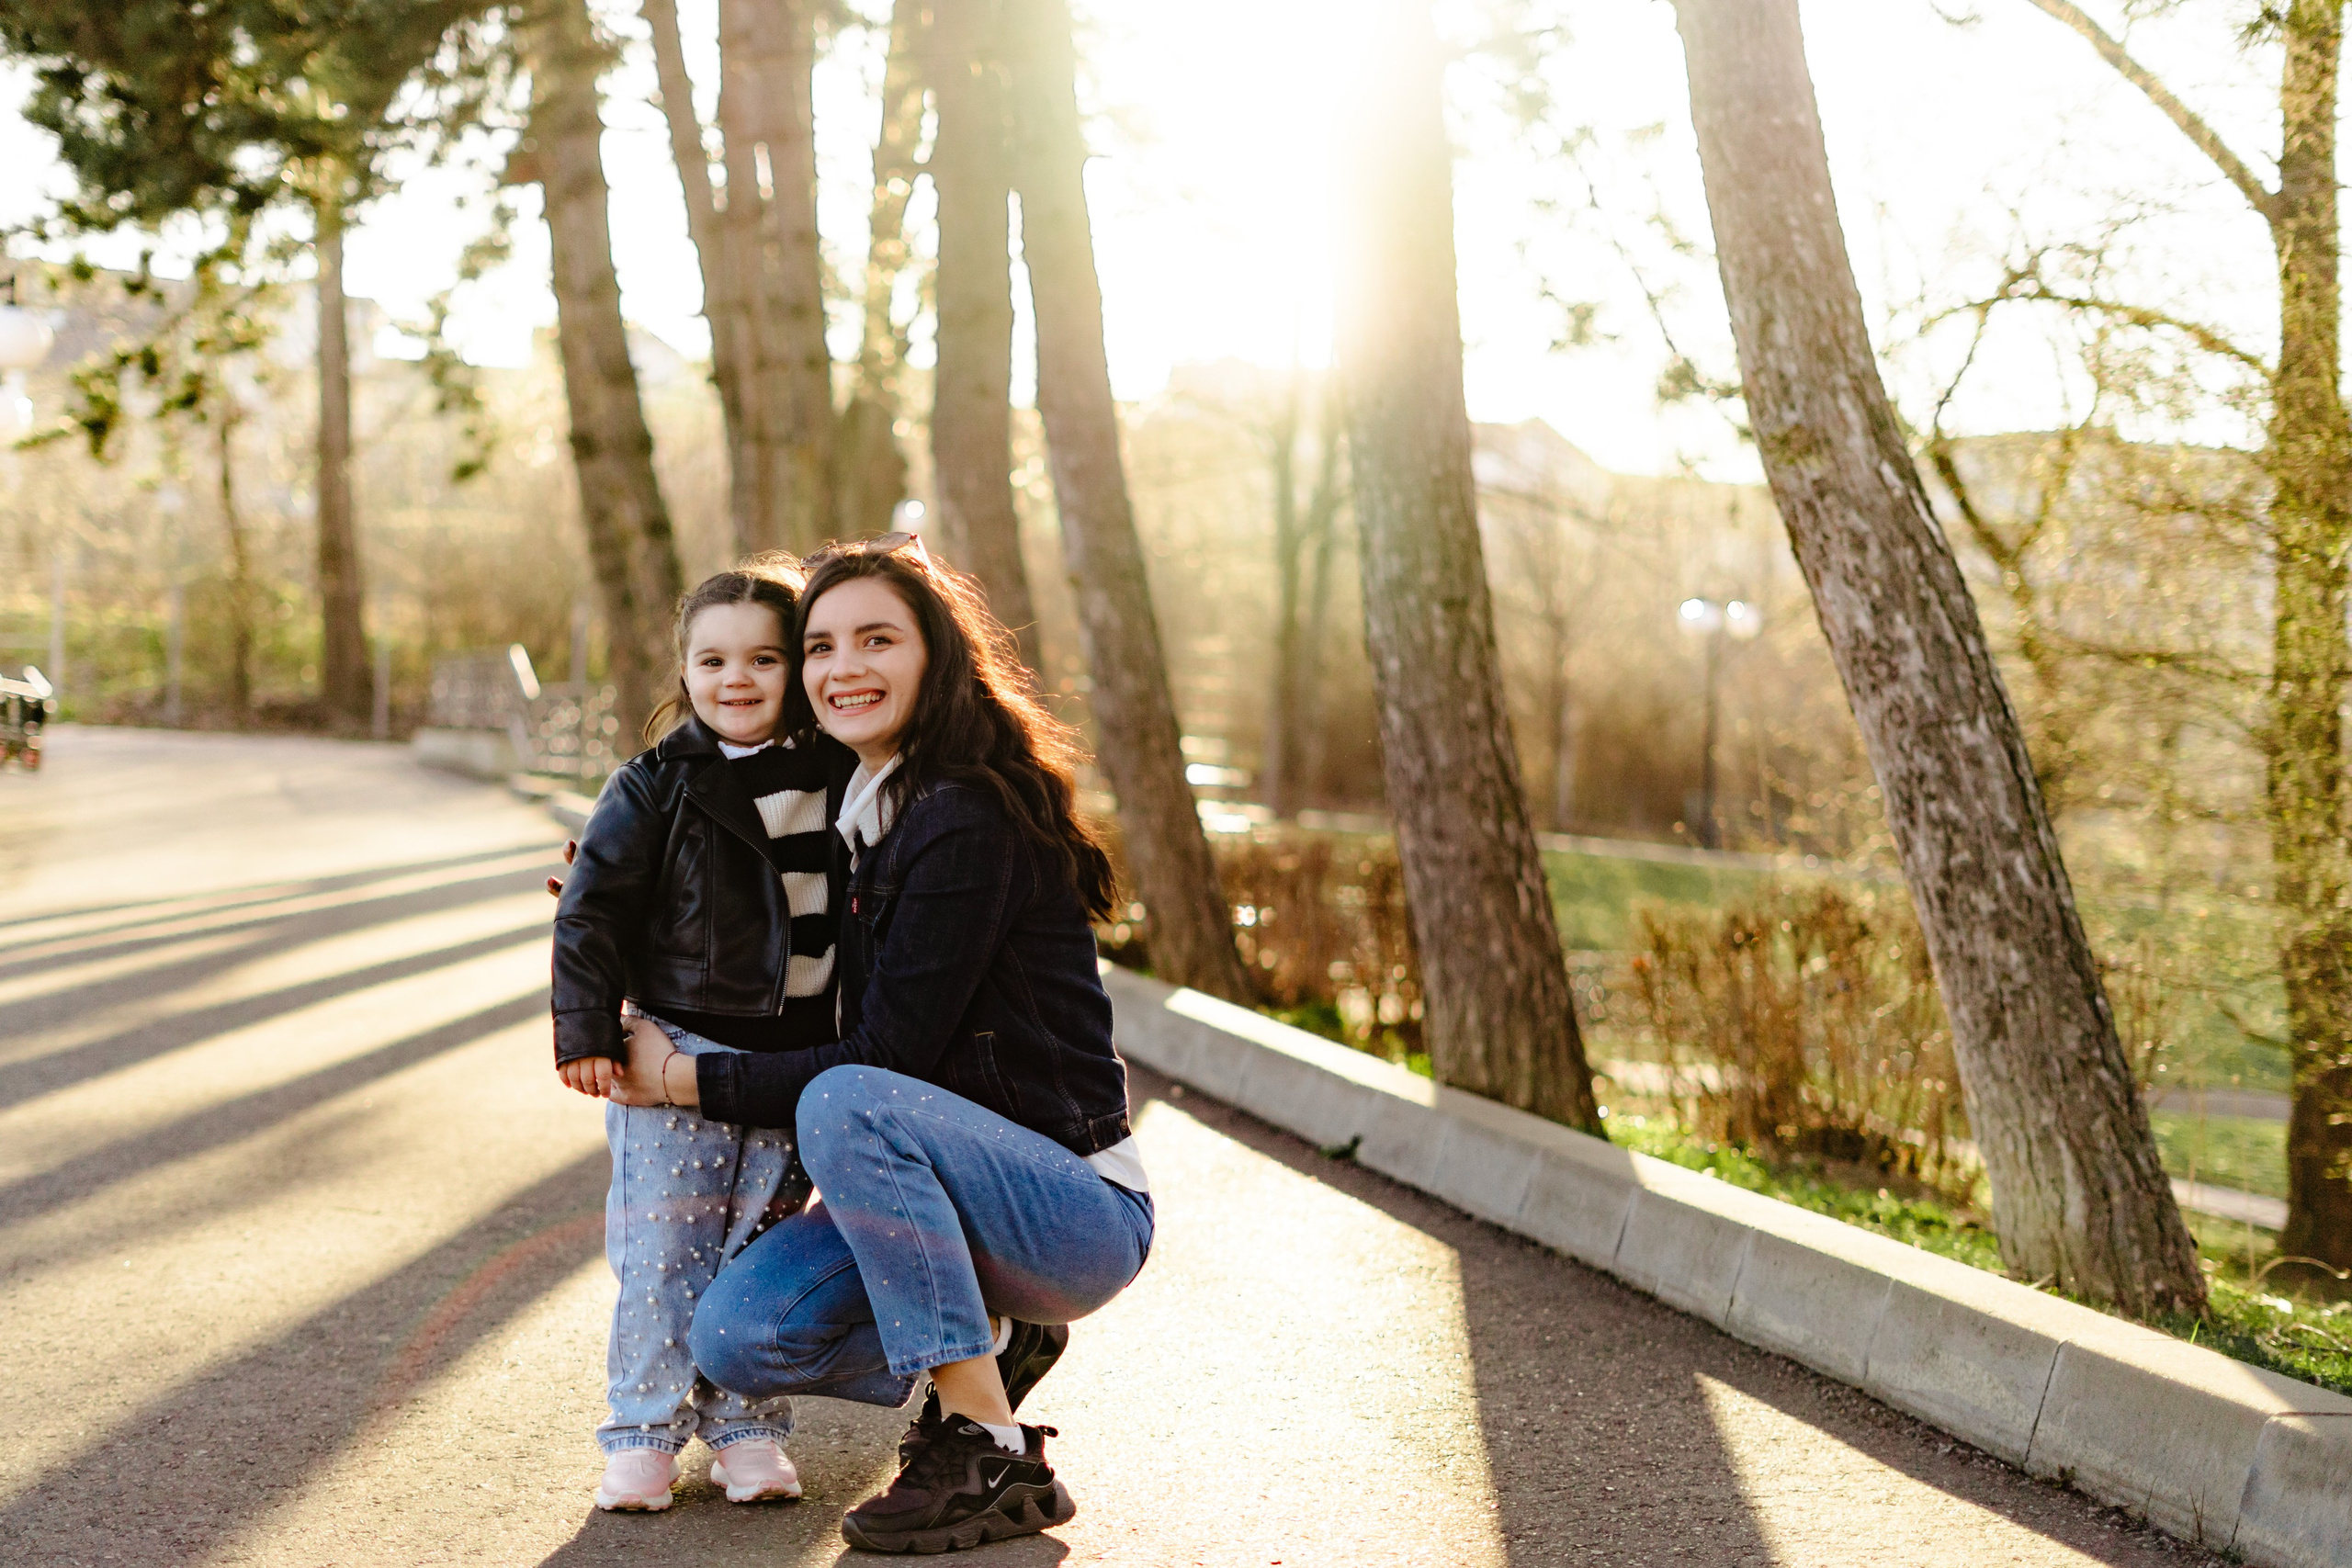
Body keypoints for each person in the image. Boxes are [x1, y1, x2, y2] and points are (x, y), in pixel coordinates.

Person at [607, 534, 1154, 1554]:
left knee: (848, 1094)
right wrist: (643, 913)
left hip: (1070, 1211)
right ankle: (997, 1336)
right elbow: (766, 957)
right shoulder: (851, 815)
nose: (842, 667)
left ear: (935, 654)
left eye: (876, 639)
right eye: (818, 646)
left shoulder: (963, 818)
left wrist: (680, 1078)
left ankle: (988, 1448)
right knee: (737, 1335)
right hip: (941, 1204)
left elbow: (882, 1057)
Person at [550, 560, 852, 1512]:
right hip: (675, 1042)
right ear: (684, 669)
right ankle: (642, 1432)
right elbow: (591, 913)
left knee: (754, 1250)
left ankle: (745, 1429)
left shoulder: (841, 774)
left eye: (764, 658)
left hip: (791, 1058)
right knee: (664, 1250)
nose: (737, 679)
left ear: (797, 667)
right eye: (713, 660)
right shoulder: (654, 784)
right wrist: (586, 1029)